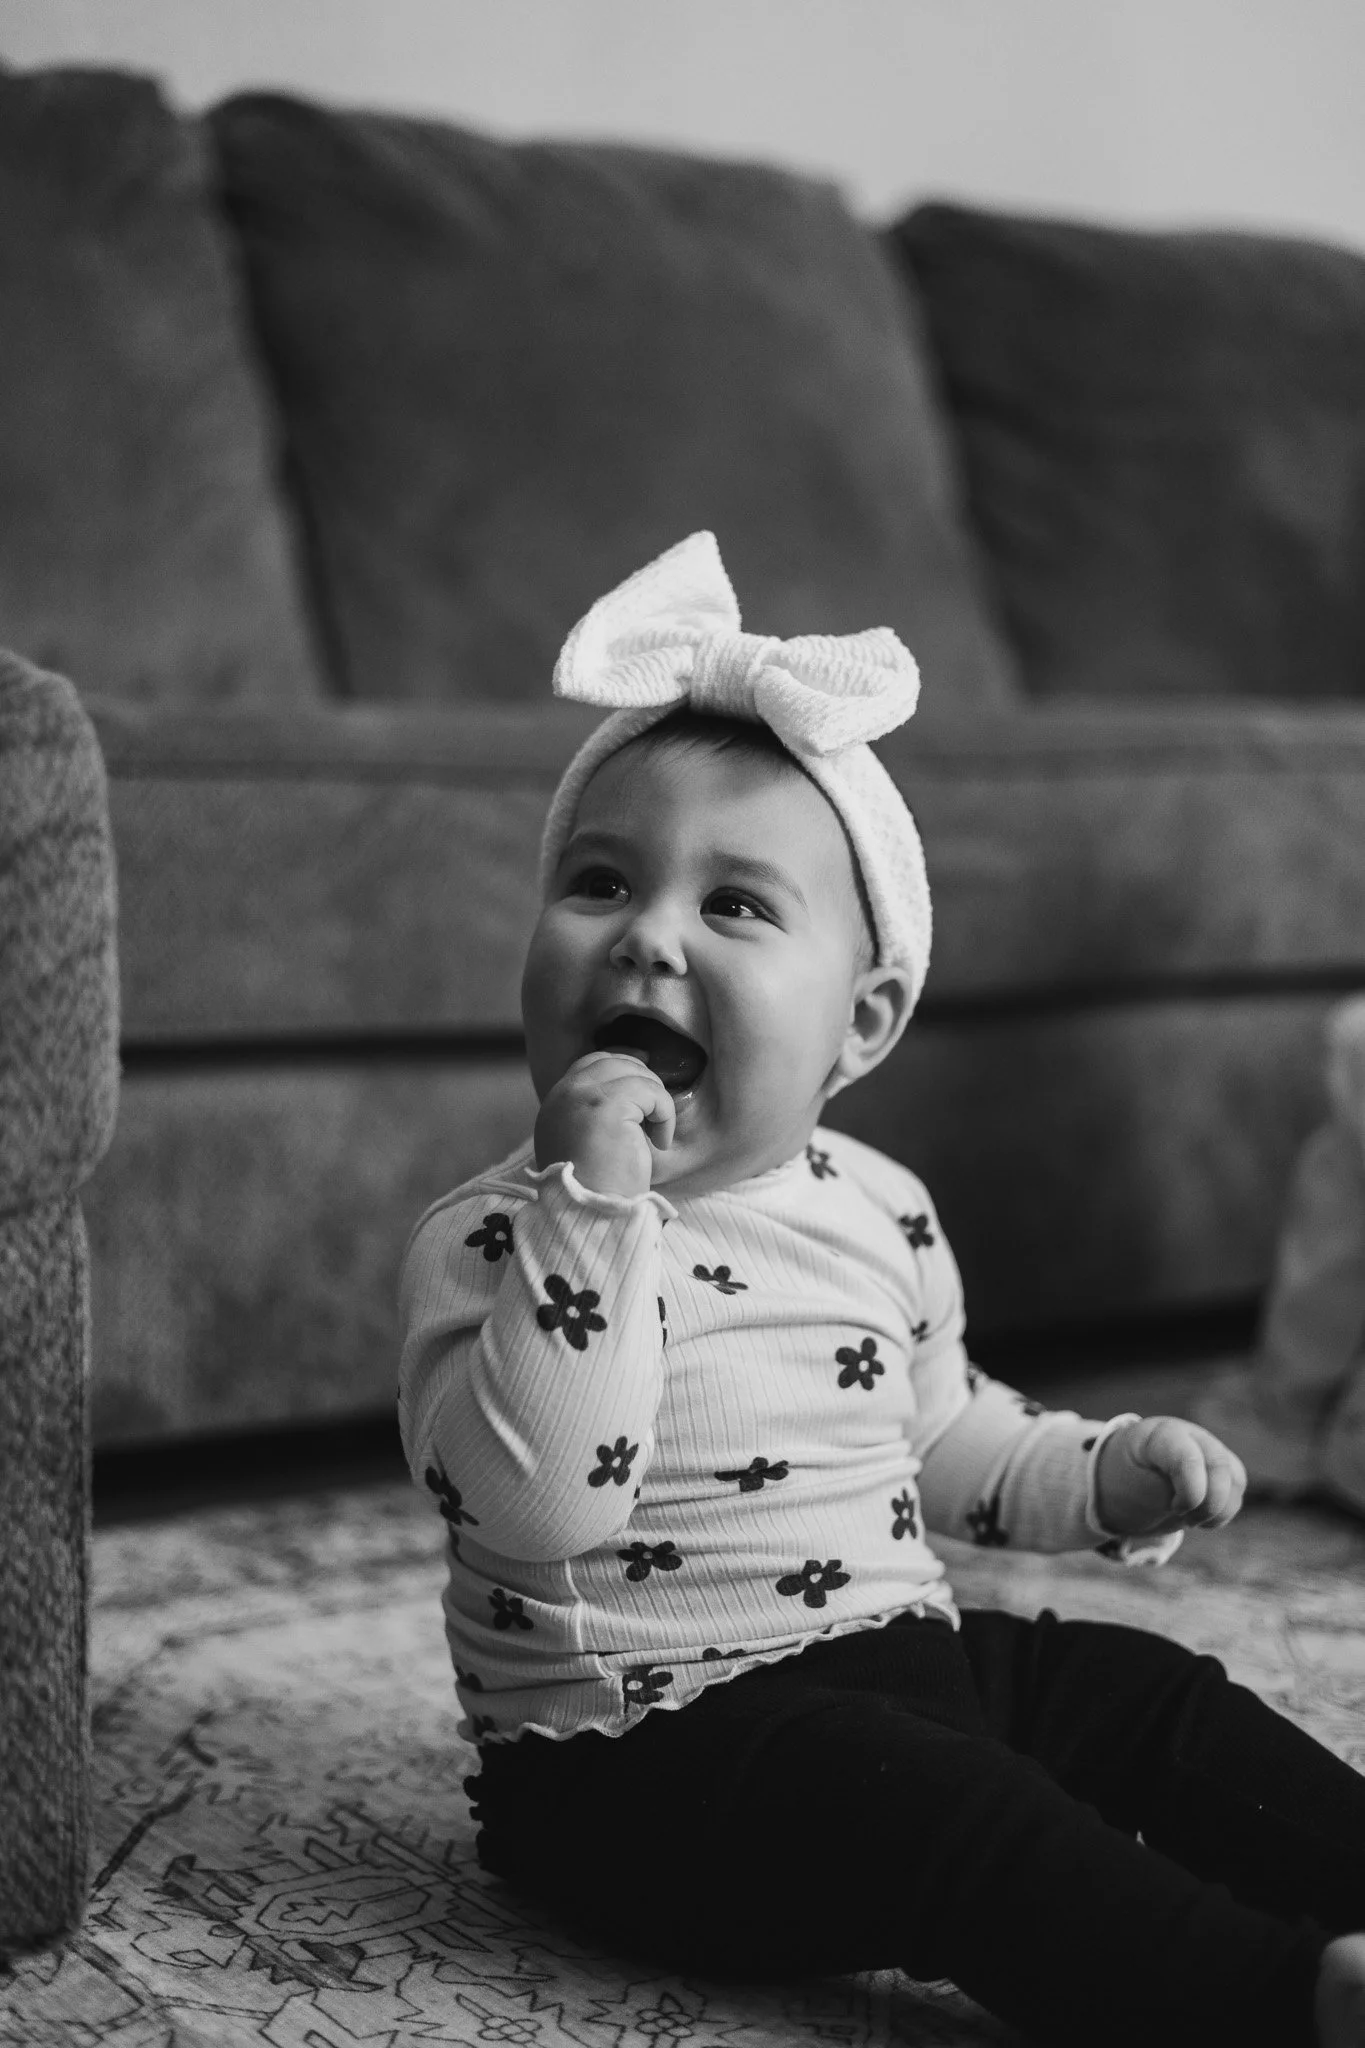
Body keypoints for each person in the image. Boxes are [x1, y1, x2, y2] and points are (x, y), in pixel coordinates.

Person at [398, 533, 1365, 2048]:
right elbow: (542, 1510)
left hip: (890, 1663)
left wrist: (1096, 1473)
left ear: (864, 1020)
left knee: (1136, 1698)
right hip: (640, 1767)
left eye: (734, 907)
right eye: (601, 883)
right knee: (955, 1821)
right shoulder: (496, 1238)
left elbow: (944, 1431)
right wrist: (591, 1202)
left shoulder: (878, 1208)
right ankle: (1273, 2004)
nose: (647, 933)